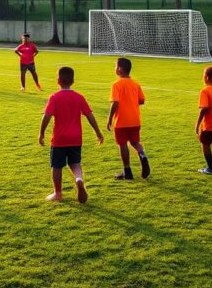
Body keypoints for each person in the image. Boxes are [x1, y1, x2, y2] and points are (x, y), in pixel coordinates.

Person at [38, 67, 105, 203]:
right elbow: (89, 115)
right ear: (73, 80)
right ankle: (79, 179)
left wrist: (41, 133)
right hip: (76, 138)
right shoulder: (79, 97)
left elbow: (47, 116)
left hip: (59, 139)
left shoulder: (54, 97)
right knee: (75, 163)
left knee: (56, 166)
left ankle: (58, 193)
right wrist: (98, 132)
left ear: (58, 81)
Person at [107, 57, 150, 180]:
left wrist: (109, 118)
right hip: (135, 120)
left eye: (115, 66)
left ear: (120, 69)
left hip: (121, 120)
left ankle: (127, 171)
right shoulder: (135, 84)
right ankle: (142, 155)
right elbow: (141, 101)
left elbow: (115, 103)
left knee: (122, 144)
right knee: (135, 142)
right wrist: (130, 102)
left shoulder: (116, 84)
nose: (114, 68)